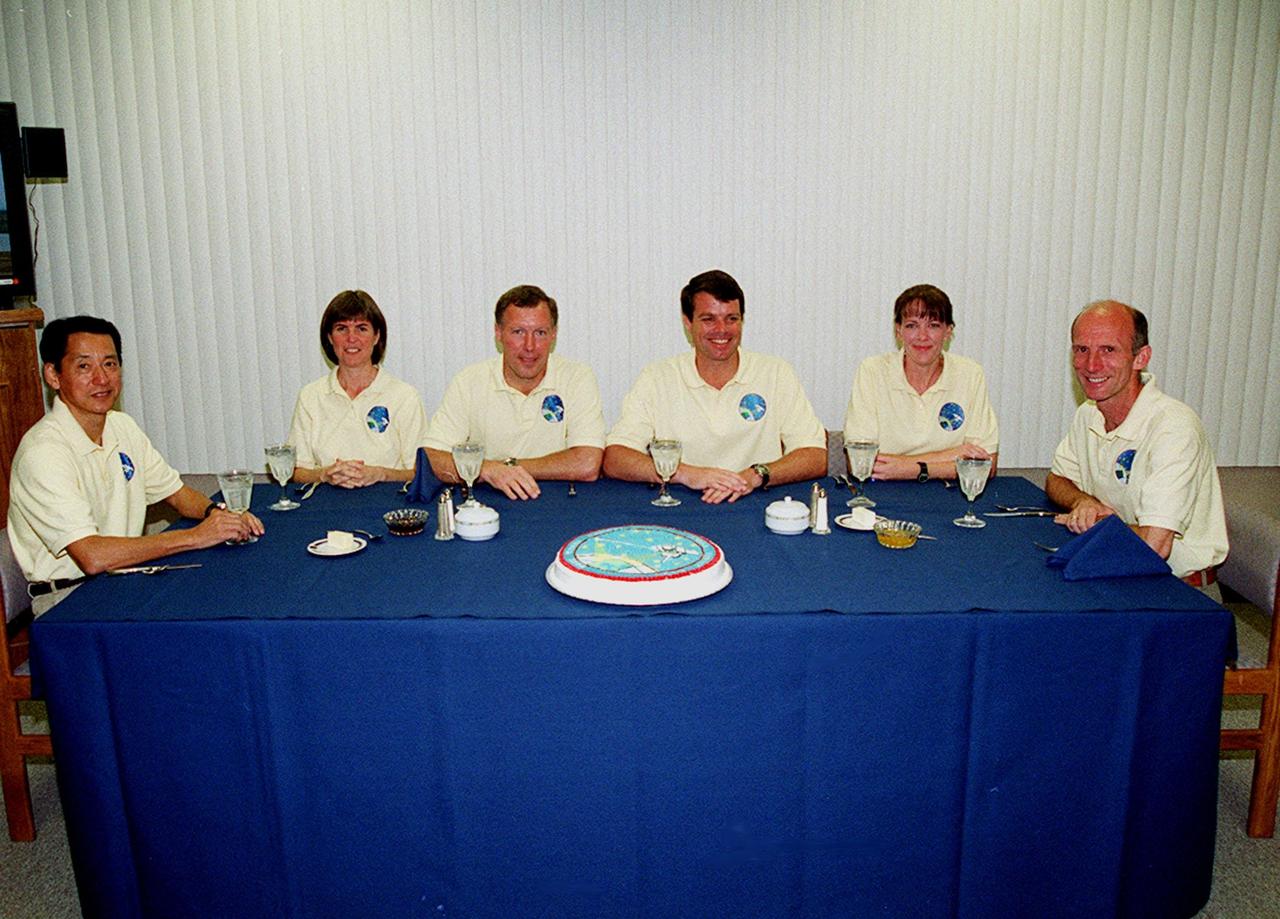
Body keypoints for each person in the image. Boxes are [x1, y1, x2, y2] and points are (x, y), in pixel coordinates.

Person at [7, 316, 263, 615]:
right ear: (53, 375)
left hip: (126, 579)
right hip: (70, 601)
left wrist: (219, 515)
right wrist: (197, 536)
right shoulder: (43, 452)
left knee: (234, 595)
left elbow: (178, 494)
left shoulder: (121, 426)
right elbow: (92, 556)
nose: (101, 379)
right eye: (84, 366)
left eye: (110, 364)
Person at [1045, 300, 1228, 595]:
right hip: (1115, 573)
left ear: (1141, 358)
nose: (1091, 365)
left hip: (1178, 592)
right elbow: (1057, 479)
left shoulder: (1173, 427)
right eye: (1081, 349)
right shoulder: (1089, 413)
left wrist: (1100, 523)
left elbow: (1156, 545)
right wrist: (1083, 502)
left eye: (1108, 350)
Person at [604, 269, 826, 503]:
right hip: (682, 504)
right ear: (688, 322)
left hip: (758, 503)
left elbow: (815, 456)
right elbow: (616, 458)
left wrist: (756, 475)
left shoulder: (776, 373)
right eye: (708, 319)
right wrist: (687, 474)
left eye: (732, 318)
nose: (722, 330)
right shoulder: (657, 377)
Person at [422, 285, 605, 499]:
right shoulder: (469, 381)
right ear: (498, 333)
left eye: (540, 332)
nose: (530, 346)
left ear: (554, 334)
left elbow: (587, 464)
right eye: (518, 332)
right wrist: (486, 470)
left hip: (560, 503)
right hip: (490, 502)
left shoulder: (577, 378)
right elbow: (430, 459)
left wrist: (508, 466)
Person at [842, 284, 998, 482]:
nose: (922, 336)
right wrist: (949, 455)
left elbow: (986, 465)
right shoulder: (872, 371)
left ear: (948, 331)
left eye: (933, 325)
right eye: (912, 325)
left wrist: (909, 468)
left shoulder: (970, 374)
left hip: (950, 495)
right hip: (884, 493)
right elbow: (859, 463)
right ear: (898, 330)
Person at [289, 290, 428, 487]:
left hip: (389, 506)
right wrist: (325, 475)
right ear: (329, 337)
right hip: (325, 507)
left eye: (362, 328)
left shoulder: (404, 396)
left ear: (376, 336)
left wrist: (379, 474)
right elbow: (296, 471)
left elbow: (420, 472)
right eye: (341, 328)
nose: (351, 338)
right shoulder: (310, 396)